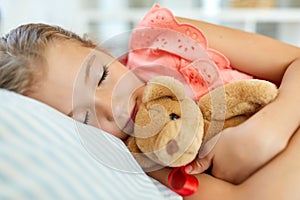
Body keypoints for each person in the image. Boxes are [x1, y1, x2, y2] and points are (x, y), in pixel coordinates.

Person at [0, 5, 300, 200]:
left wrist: (270, 129)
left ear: (97, 48)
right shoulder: (147, 162)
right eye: (85, 119)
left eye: (101, 75)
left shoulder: (163, 40)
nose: (114, 106)